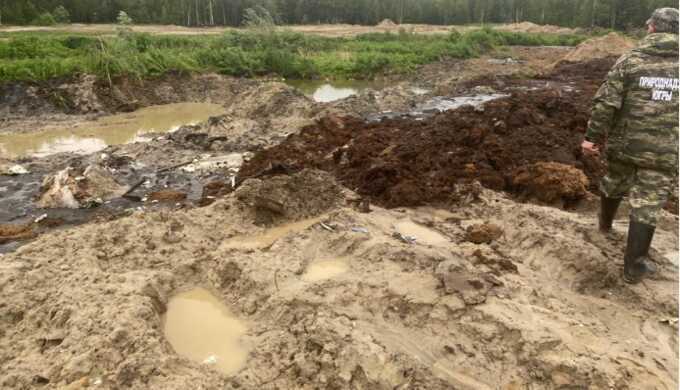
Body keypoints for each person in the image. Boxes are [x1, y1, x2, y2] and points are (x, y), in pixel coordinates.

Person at [581, 8, 679, 284]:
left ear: (652, 29)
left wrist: (591, 138)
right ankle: (634, 266)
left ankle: (605, 225)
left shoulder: (629, 61)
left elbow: (606, 104)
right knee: (648, 203)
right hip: (665, 150)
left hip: (626, 144)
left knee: (614, 182)